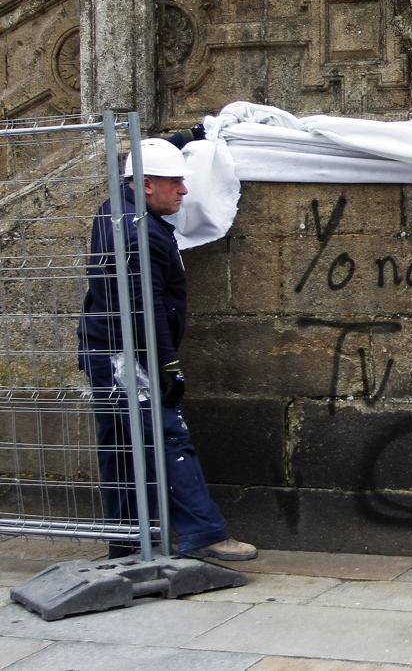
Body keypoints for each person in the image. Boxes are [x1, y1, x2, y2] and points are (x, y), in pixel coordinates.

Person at [78, 138, 257, 561]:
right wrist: (166, 365)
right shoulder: (141, 232)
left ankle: (126, 542)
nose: (183, 190)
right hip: (129, 358)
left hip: (106, 352)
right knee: (168, 437)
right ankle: (203, 533)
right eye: (174, 181)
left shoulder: (117, 210)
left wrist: (183, 138)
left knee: (121, 447)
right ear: (144, 185)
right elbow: (146, 307)